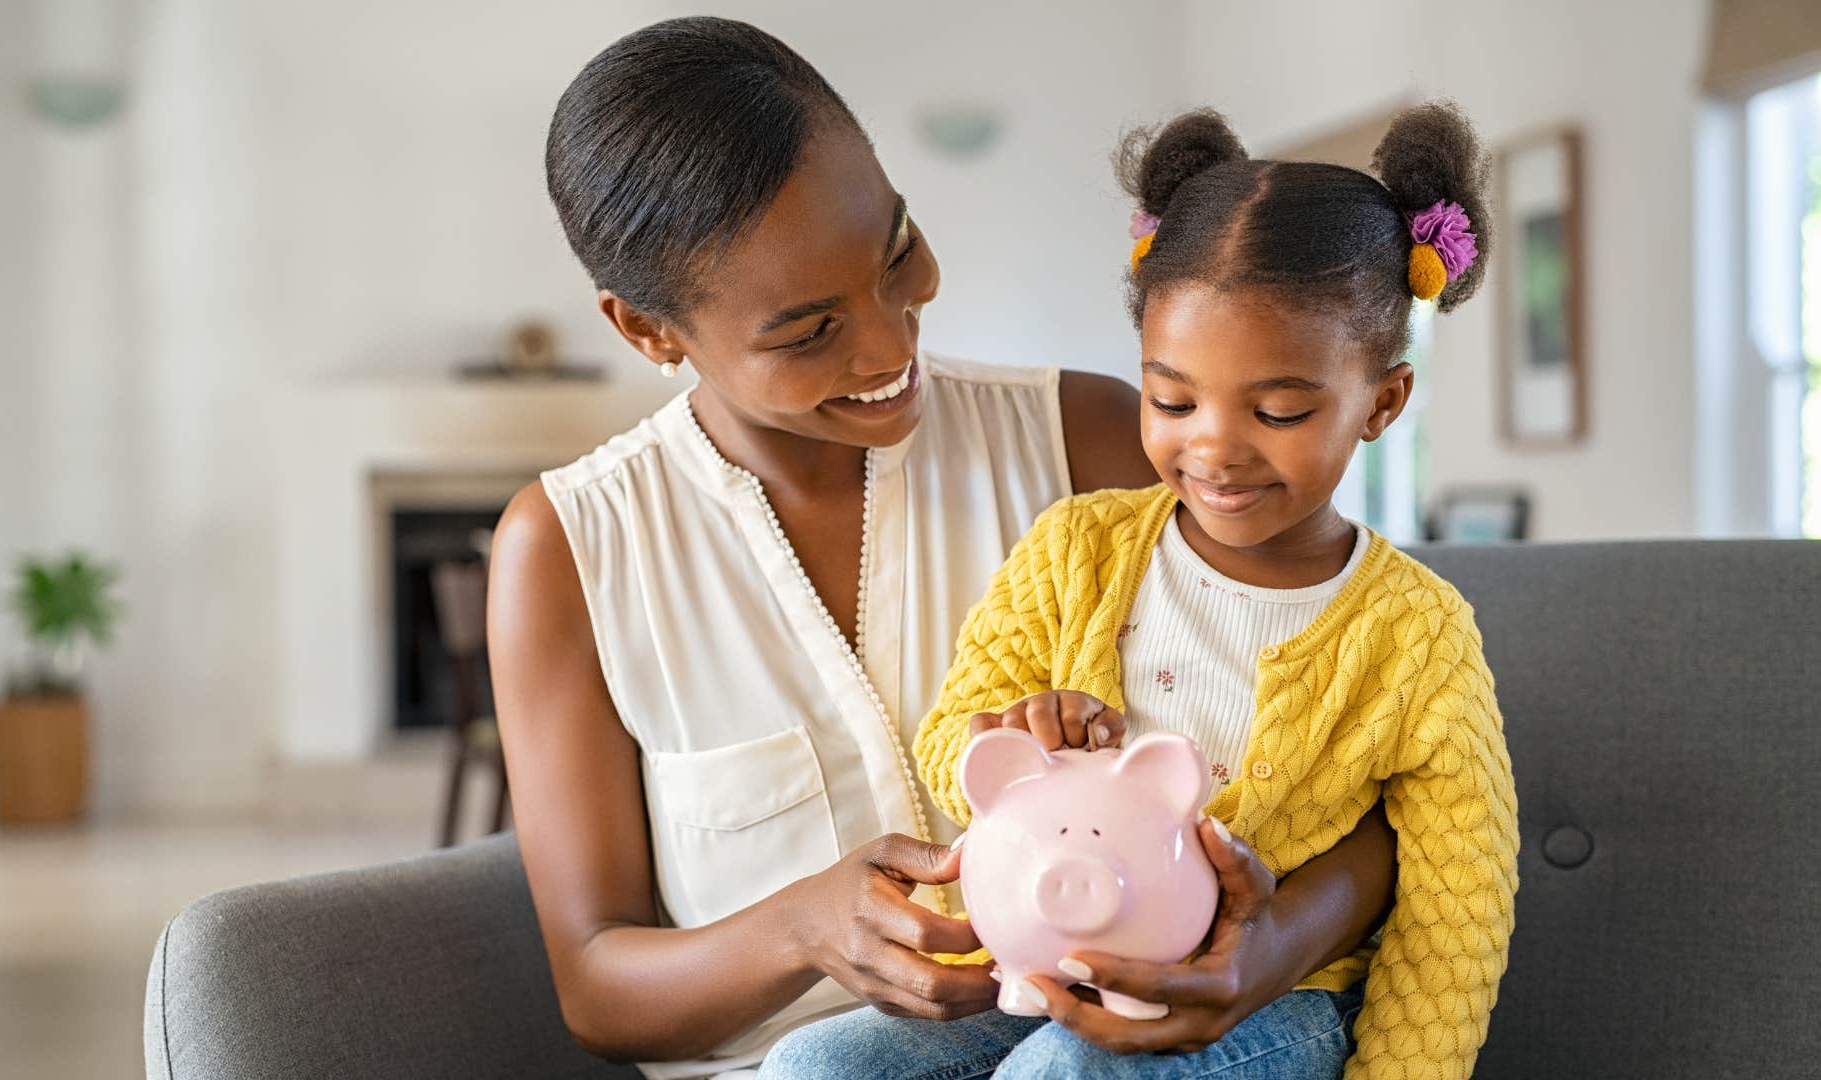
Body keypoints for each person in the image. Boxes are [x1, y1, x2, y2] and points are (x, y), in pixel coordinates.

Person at [488, 18, 1399, 1078]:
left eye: (897, 251)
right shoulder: (570, 550)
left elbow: (1377, 761)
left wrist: (1271, 949)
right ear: (649, 332)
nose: (890, 343)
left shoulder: (1093, 443)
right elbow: (599, 988)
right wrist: (799, 929)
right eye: (806, 330)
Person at [765, 102, 1517, 1079]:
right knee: (815, 1066)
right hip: (1045, 960)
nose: (1213, 445)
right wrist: (1020, 730)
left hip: (1279, 1002)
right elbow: (954, 741)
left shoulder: (1418, 634)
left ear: (1382, 403)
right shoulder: (1077, 548)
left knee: (1059, 1077)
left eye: (1279, 410)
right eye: (1172, 399)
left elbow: (1460, 904)